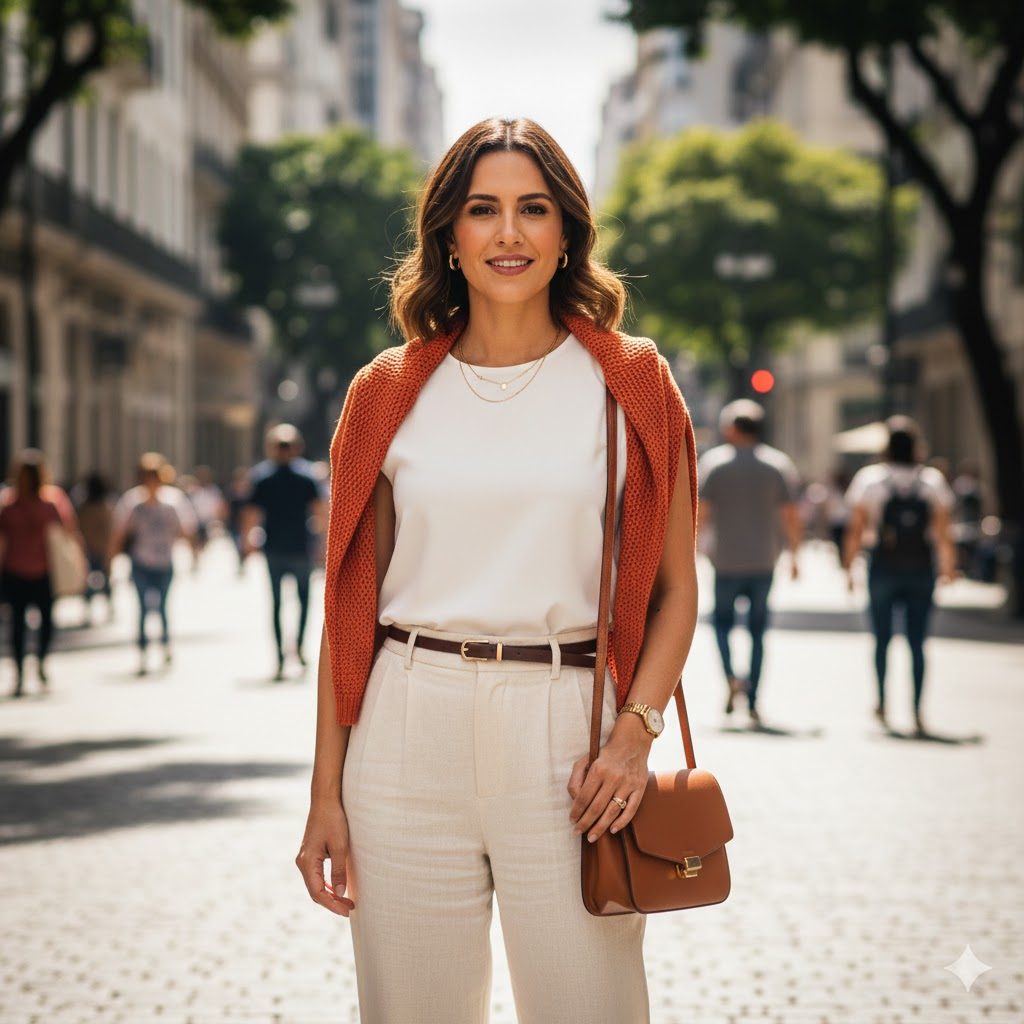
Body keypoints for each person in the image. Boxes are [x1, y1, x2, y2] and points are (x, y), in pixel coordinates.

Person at [294, 117, 699, 1024]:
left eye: (533, 209)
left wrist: (634, 734)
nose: (509, 233)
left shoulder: (632, 382)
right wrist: (327, 792)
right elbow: (349, 610)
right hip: (404, 727)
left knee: (589, 1007)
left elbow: (676, 589)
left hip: (572, 735)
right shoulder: (386, 391)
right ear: (448, 233)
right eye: (483, 210)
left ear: (567, 234)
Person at [842, 417, 956, 735]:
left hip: (882, 567)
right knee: (918, 643)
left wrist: (849, 567)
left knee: (881, 640)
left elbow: (856, 529)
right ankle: (918, 710)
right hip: (921, 568)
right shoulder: (932, 480)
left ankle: (881, 702)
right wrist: (948, 567)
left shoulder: (871, 479)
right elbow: (943, 531)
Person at [697, 399, 802, 726]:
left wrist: (693, 550)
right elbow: (789, 515)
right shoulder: (777, 465)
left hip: (725, 559)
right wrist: (796, 554)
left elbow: (701, 513)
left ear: (731, 428)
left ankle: (731, 676)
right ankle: (754, 698)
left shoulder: (714, 464)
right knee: (758, 631)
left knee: (723, 625)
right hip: (763, 559)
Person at [243, 425, 324, 679]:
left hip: (299, 548)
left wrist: (323, 543)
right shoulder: (263, 478)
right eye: (280, 446)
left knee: (302, 602)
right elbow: (252, 513)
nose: (284, 451)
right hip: (276, 549)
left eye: (286, 446)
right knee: (277, 603)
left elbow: (320, 511)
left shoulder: (306, 477)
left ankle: (297, 647)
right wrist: (248, 540)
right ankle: (279, 655)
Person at [0, 450, 81, 695]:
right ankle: (20, 671)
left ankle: (42, 662)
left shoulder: (52, 501)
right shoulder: (8, 502)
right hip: (14, 572)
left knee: (46, 622)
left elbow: (69, 532)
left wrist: (76, 561)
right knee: (17, 625)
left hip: (44, 572)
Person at [109, 453, 197, 676]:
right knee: (142, 608)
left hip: (165, 562)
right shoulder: (132, 502)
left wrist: (195, 554)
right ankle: (143, 650)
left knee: (163, 607)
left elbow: (186, 530)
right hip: (141, 562)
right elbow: (120, 533)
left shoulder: (173, 501)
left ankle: (166, 644)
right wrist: (111, 559)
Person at [75, 472, 116, 623]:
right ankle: (108, 608)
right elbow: (110, 531)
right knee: (104, 581)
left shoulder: (83, 507)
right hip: (99, 550)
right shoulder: (105, 507)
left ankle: (89, 611)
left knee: (88, 583)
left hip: (88, 550)